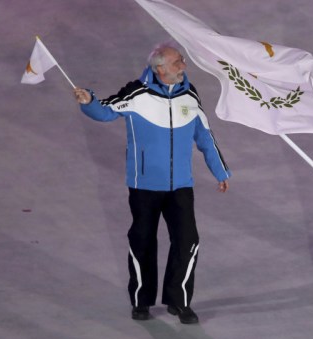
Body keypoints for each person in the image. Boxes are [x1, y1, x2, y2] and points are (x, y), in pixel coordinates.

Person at [73, 43, 231, 324]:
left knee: (187, 241)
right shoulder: (136, 94)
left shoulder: (190, 95)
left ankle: (179, 301)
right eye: (177, 62)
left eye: (182, 60)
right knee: (143, 241)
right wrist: (89, 102)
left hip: (180, 186)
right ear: (160, 69)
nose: (183, 65)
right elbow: (106, 111)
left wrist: (220, 172)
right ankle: (141, 302)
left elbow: (205, 136)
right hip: (144, 186)